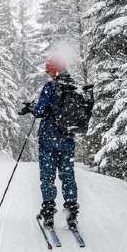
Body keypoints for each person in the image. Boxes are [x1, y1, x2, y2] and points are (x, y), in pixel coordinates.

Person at [19, 56, 80, 229]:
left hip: (48, 140)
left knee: (48, 177)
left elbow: (39, 111)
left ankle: (48, 214)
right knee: (68, 177)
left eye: (49, 71)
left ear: (55, 70)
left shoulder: (50, 87)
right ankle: (72, 214)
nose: (48, 74)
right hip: (67, 140)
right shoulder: (74, 87)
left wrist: (32, 107)